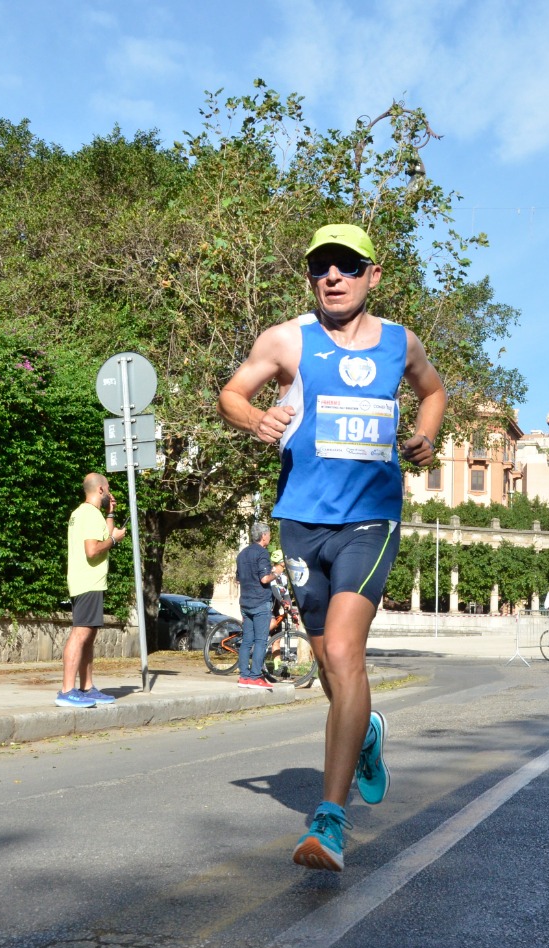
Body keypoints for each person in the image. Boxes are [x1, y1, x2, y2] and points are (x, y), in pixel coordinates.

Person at [218, 222, 446, 873]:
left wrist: (426, 435)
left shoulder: (402, 343)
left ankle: (330, 817)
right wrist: (252, 416)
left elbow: (434, 391)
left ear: (374, 275)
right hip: (300, 522)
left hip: (370, 518)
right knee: (327, 662)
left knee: (345, 650)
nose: (334, 277)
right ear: (312, 277)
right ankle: (365, 728)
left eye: (348, 265)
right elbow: (230, 393)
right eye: (323, 267)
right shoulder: (288, 340)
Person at [57, 472, 127, 707]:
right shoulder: (89, 514)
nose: (109, 493)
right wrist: (115, 541)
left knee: (88, 637)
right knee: (80, 634)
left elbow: (103, 536)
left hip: (86, 581)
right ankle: (67, 691)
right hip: (88, 582)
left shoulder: (84, 513)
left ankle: (86, 687)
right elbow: (93, 549)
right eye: (107, 489)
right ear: (100, 490)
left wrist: (111, 514)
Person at [235, 522, 279, 690]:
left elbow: (238, 579)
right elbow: (264, 579)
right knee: (261, 640)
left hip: (245, 603)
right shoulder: (262, 553)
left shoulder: (242, 554)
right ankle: (255, 677)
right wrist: (276, 572)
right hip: (260, 602)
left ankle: (243, 676)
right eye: (268, 534)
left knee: (247, 641)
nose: (269, 537)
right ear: (263, 536)